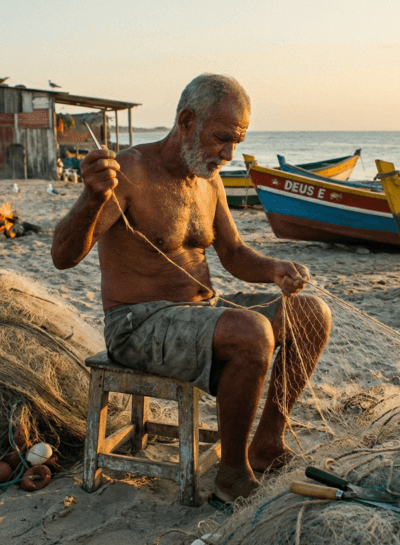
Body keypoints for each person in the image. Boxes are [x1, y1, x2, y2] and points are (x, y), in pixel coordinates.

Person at [51, 74, 332, 502]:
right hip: (137, 323)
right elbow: (63, 257)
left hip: (205, 311)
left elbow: (234, 252)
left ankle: (266, 443)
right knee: (252, 332)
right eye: (222, 138)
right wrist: (91, 198)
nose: (229, 153)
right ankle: (231, 475)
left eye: (236, 142)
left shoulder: (209, 180)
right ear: (186, 121)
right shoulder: (132, 171)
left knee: (312, 314)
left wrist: (275, 268)